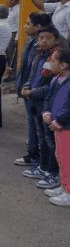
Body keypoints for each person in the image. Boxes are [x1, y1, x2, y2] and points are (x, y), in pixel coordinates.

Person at [21, 26, 62, 190]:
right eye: (41, 38)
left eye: (48, 38)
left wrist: (32, 91)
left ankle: (52, 172)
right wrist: (26, 86)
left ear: (56, 40)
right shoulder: (40, 54)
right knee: (41, 136)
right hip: (35, 100)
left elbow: (51, 85)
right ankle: (43, 167)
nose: (43, 41)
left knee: (50, 140)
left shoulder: (57, 57)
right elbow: (33, 75)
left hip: (46, 103)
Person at [13, 12, 52, 166]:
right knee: (33, 126)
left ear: (38, 27)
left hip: (38, 93)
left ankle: (41, 161)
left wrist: (32, 89)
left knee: (41, 130)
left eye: (28, 24)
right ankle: (34, 155)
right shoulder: (31, 42)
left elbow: (43, 74)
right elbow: (27, 67)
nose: (24, 26)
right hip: (29, 90)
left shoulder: (48, 49)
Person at [43, 49, 70, 205]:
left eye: (53, 60)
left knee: (66, 158)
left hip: (65, 126)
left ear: (64, 64)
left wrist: (59, 120)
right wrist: (46, 112)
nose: (50, 63)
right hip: (56, 124)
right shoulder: (56, 79)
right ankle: (64, 185)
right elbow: (49, 97)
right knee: (60, 156)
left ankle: (68, 192)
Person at [4, 0, 20, 81]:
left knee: (13, 55)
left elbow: (19, 25)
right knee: (9, 56)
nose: (9, 2)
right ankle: (10, 74)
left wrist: (17, 38)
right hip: (9, 34)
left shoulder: (18, 10)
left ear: (17, 1)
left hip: (14, 34)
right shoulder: (10, 10)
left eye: (11, 0)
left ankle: (13, 74)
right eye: (8, 0)